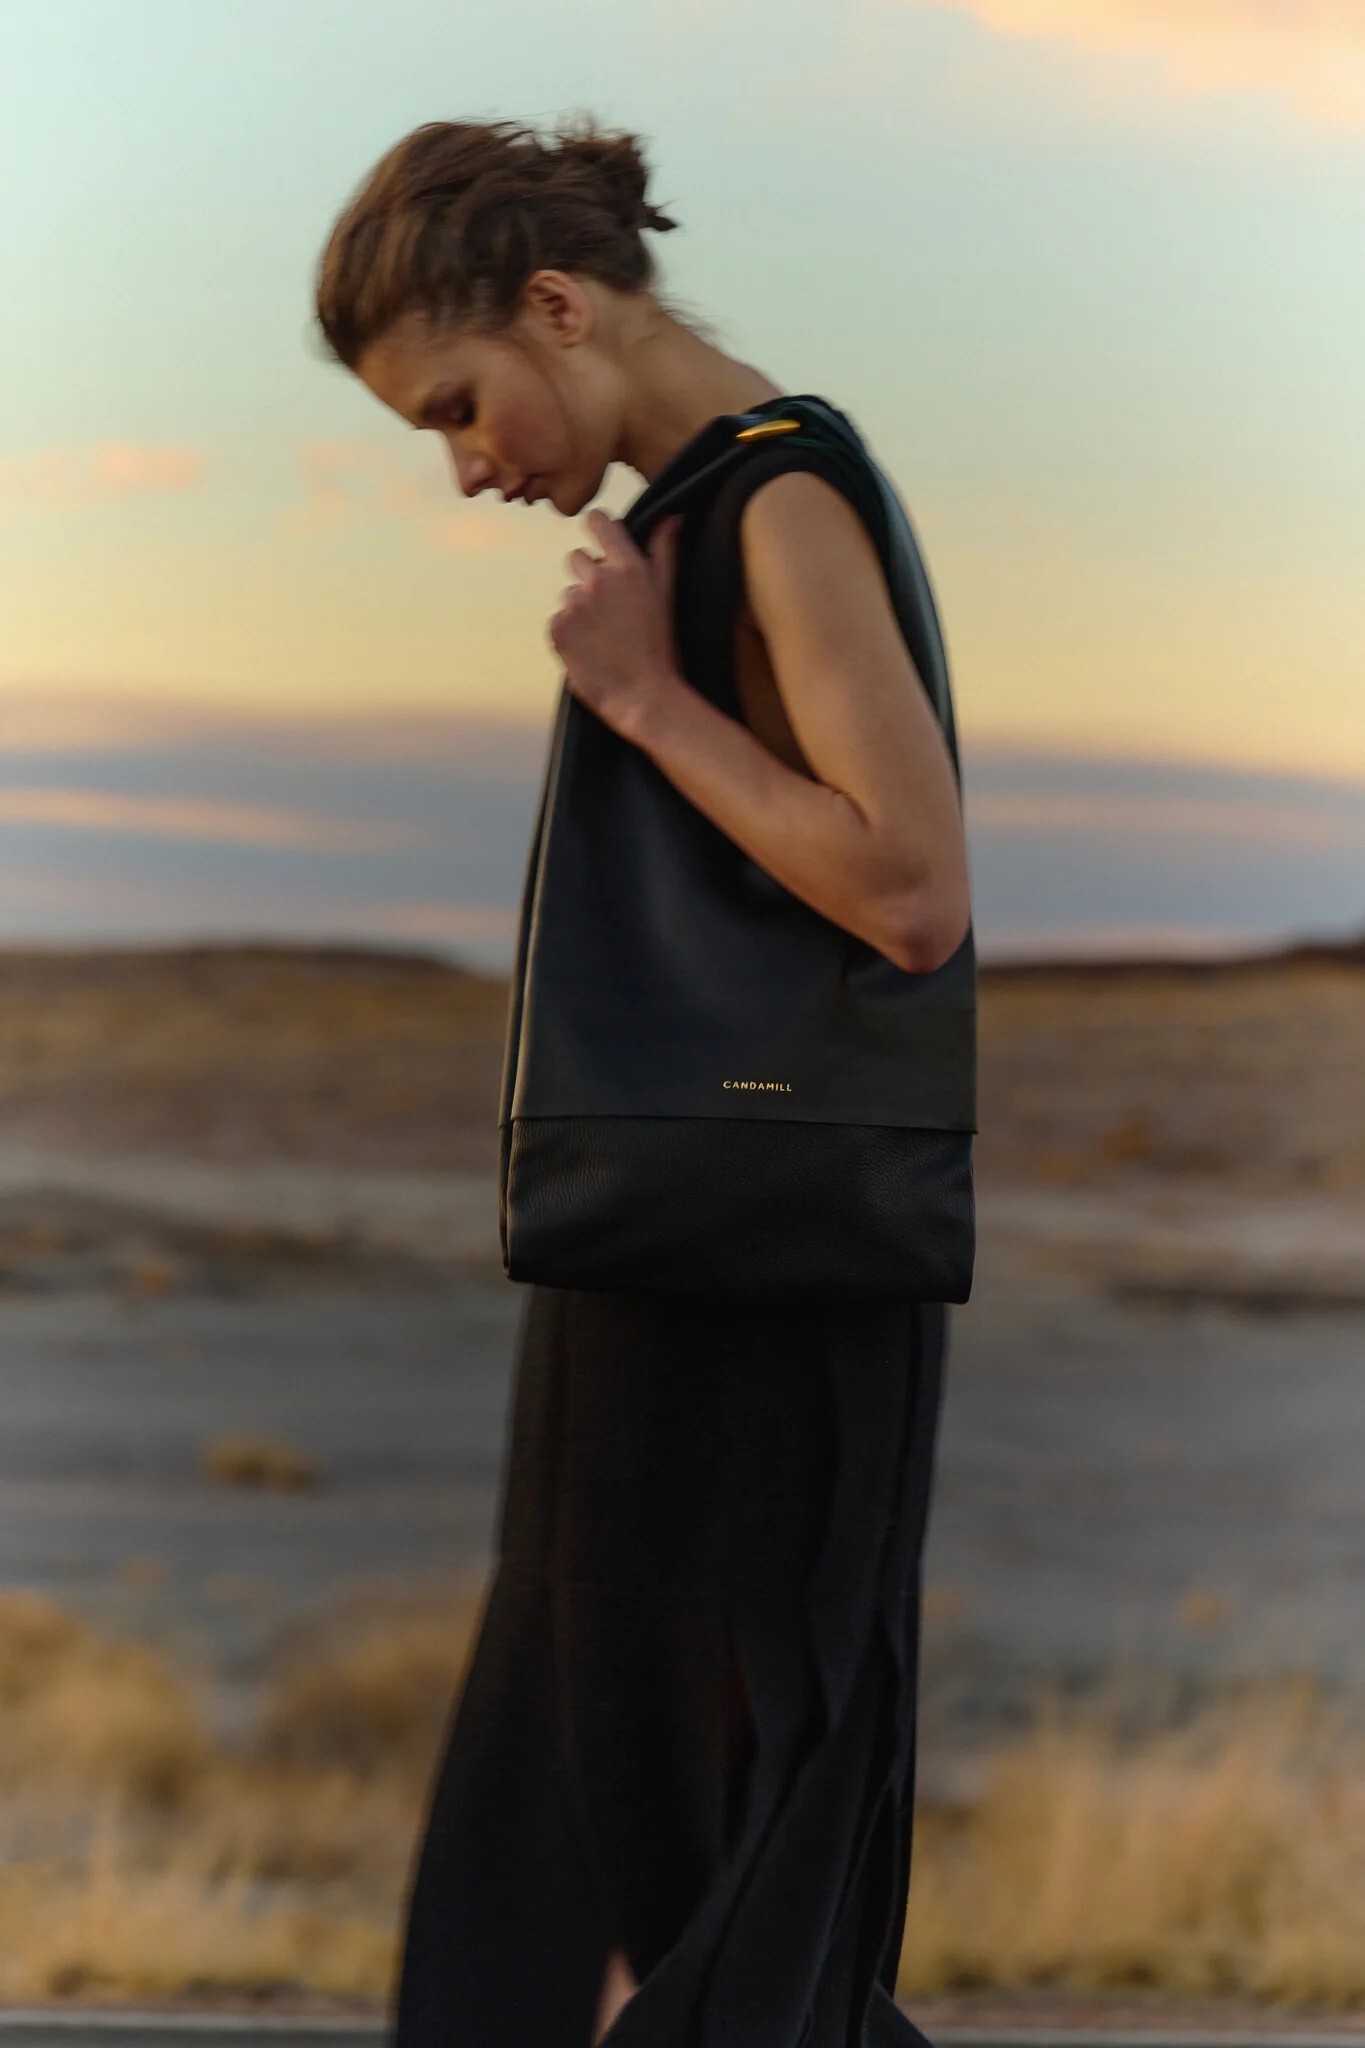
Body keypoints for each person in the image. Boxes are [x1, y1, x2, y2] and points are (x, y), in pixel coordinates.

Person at [312, 110, 972, 2048]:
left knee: (704, 1806)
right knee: (615, 1782)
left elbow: (909, 889)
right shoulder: (697, 509)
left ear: (555, 305)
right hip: (679, 1241)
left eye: (456, 405)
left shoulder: (779, 497)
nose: (464, 467)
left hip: (756, 1264)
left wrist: (639, 699)